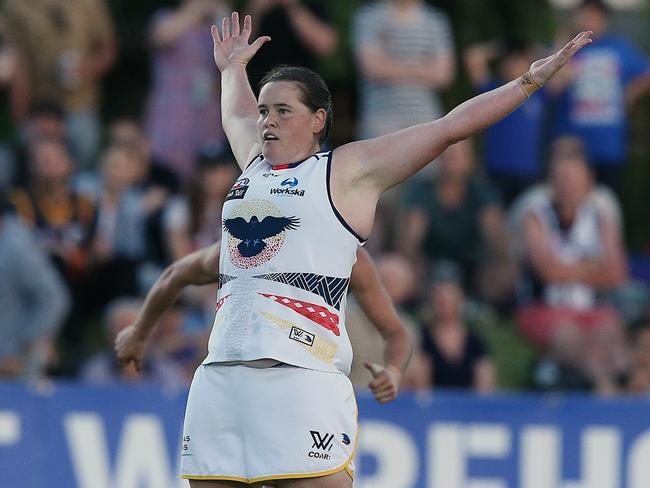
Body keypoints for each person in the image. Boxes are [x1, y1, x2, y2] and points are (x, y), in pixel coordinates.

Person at [116, 12, 591, 487]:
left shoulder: (346, 172)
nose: (267, 121)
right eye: (265, 111)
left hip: (300, 379)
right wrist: (231, 70)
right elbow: (236, 114)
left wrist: (529, 82)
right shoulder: (254, 167)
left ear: (319, 119)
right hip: (221, 381)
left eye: (284, 111)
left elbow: (449, 127)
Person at [516, 138, 629, 393]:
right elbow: (547, 273)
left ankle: (622, 394)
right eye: (561, 178)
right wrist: (591, 267)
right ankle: (604, 391)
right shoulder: (536, 216)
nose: (567, 185)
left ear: (588, 180)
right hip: (545, 307)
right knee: (571, 336)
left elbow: (617, 273)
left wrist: (566, 269)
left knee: (611, 331)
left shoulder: (601, 217)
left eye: (573, 178)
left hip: (590, 307)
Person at [550, 0, 650, 191]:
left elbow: (646, 71)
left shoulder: (620, 48)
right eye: (585, 15)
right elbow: (554, 87)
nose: (590, 20)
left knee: (605, 202)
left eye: (595, 16)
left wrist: (631, 93)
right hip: (573, 144)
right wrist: (561, 47)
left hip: (608, 144)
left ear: (604, 20)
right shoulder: (567, 49)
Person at [419, 261, 496, 393]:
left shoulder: (476, 342)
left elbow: (485, 390)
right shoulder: (421, 338)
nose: (443, 301)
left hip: (468, 411)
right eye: (439, 297)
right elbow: (421, 388)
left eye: (449, 296)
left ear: (461, 299)